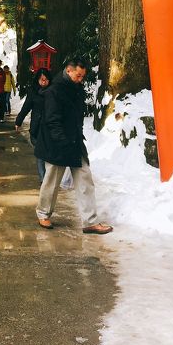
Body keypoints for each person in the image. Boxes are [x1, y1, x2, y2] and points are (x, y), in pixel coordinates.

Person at [34, 60, 113, 235]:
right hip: (57, 143)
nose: (81, 79)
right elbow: (52, 121)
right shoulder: (54, 91)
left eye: (83, 76)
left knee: (85, 179)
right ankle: (43, 213)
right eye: (78, 75)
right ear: (68, 71)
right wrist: (62, 142)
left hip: (75, 142)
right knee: (52, 181)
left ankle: (90, 221)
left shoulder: (77, 89)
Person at [14, 67, 51, 182]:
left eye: (46, 80)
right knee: (40, 155)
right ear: (37, 80)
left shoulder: (54, 91)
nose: (43, 82)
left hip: (50, 128)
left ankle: (49, 179)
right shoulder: (33, 91)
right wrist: (18, 121)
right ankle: (43, 180)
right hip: (37, 128)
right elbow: (26, 108)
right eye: (41, 80)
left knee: (49, 156)